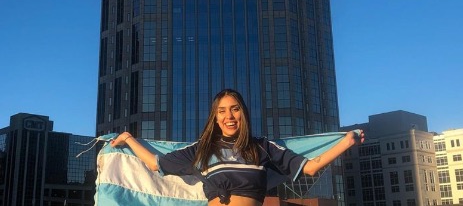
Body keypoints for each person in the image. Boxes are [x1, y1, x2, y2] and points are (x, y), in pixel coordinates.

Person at [111, 88, 364, 206]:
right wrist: (129, 139)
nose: (229, 116)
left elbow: (310, 167)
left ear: (243, 113)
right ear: (215, 117)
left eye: (235, 109)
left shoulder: (263, 147)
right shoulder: (203, 149)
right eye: (222, 111)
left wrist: (346, 142)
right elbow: (156, 163)